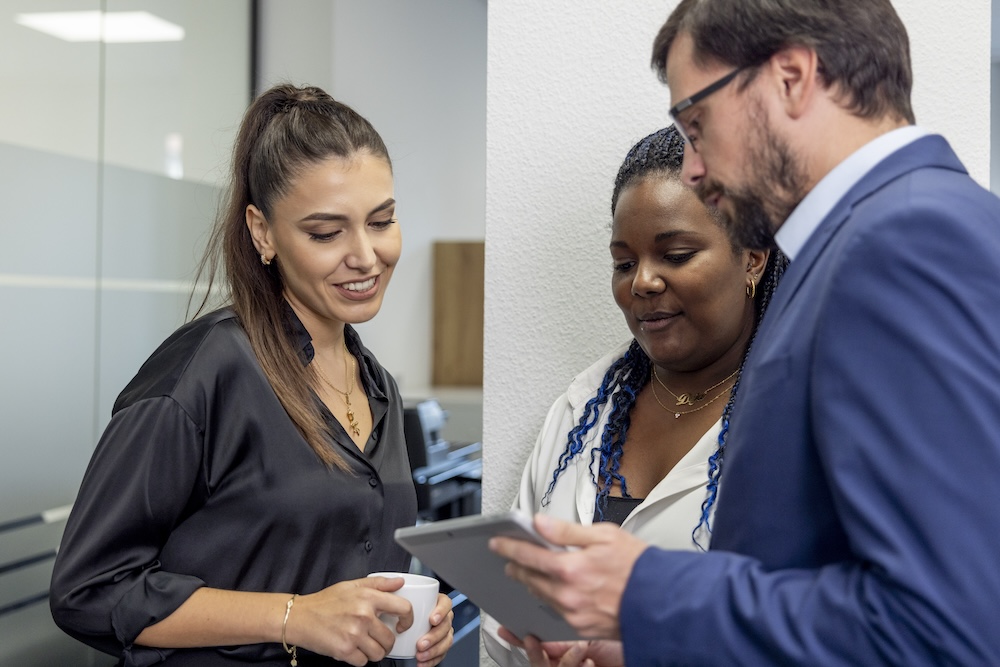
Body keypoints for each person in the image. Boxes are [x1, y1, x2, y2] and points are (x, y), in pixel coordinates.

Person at [490, 1, 1000, 665]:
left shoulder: (901, 241)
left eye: (697, 125)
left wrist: (646, 589)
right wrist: (652, 644)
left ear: (790, 77)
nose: (694, 168)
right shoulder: (874, 239)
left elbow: (945, 629)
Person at [49, 84, 454, 667]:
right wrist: (295, 616)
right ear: (262, 232)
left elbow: (347, 581)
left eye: (381, 221)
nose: (366, 255)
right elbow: (88, 589)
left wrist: (409, 624)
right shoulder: (206, 371)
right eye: (326, 233)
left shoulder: (377, 385)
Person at [483, 126, 786, 667]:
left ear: (753, 258)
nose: (642, 282)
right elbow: (502, 612)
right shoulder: (584, 406)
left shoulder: (797, 424)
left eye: (676, 254)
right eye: (624, 263)